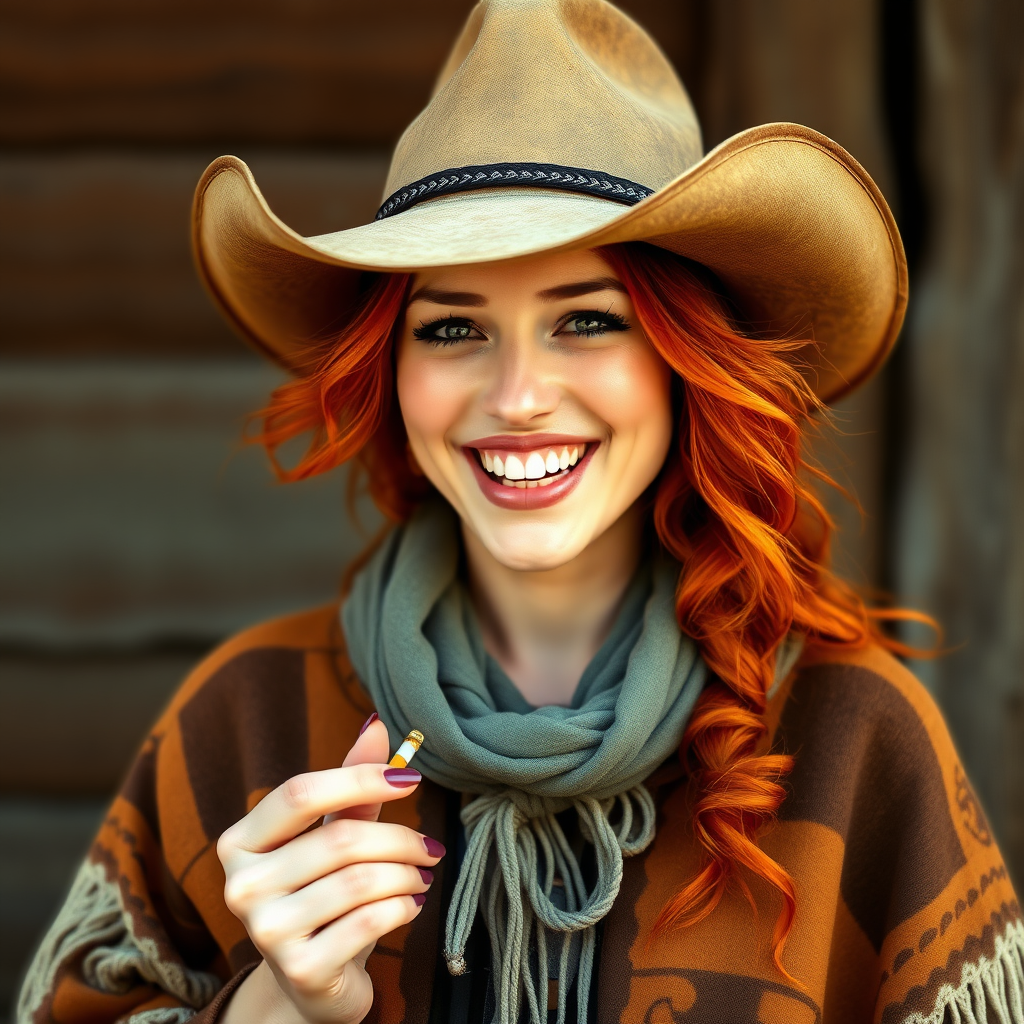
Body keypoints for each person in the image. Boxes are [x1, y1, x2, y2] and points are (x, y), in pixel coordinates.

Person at [17, 1, 1023, 1022]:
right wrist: (270, 1004)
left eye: (586, 319)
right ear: (388, 371)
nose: (516, 396)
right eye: (452, 326)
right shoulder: (247, 718)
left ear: (687, 365)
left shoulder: (854, 738)